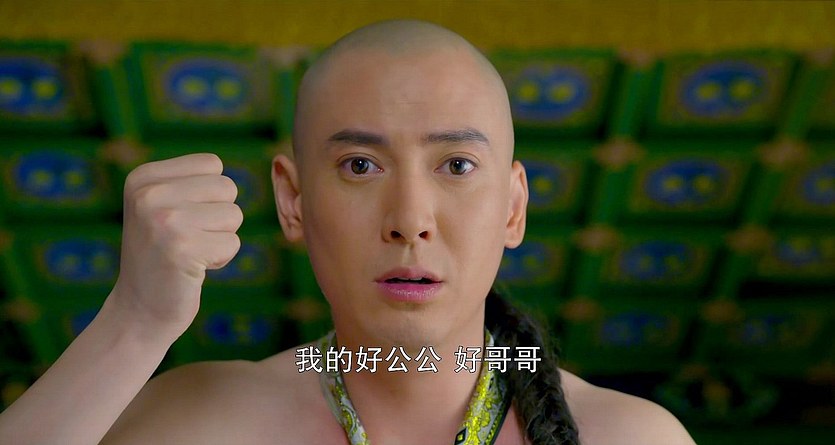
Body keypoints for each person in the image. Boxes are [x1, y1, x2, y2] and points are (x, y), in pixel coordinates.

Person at [0, 20, 696, 445]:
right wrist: (135, 322)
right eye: (360, 165)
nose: (410, 220)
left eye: (456, 165)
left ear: (513, 207)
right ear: (293, 200)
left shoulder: (630, 436)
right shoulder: (205, 420)